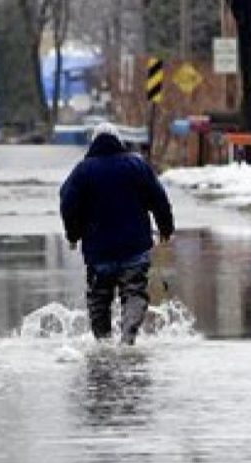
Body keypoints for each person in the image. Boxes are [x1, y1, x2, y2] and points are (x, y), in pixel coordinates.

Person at [60, 122, 174, 345]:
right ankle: (128, 335)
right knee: (134, 293)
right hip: (134, 247)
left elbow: (67, 202)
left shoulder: (82, 171)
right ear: (119, 141)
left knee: (99, 298)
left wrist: (73, 234)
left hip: (98, 251)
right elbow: (159, 197)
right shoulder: (136, 165)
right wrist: (165, 227)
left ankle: (103, 343)